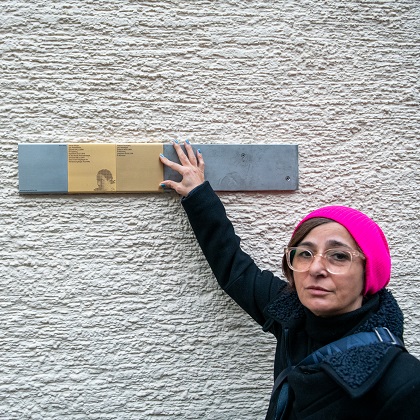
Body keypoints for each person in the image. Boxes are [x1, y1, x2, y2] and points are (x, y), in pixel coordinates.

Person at [159, 140, 420, 419]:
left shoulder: (404, 383)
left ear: (369, 273)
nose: (316, 268)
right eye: (305, 253)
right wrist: (198, 195)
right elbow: (235, 269)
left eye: (339, 256)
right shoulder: (291, 314)